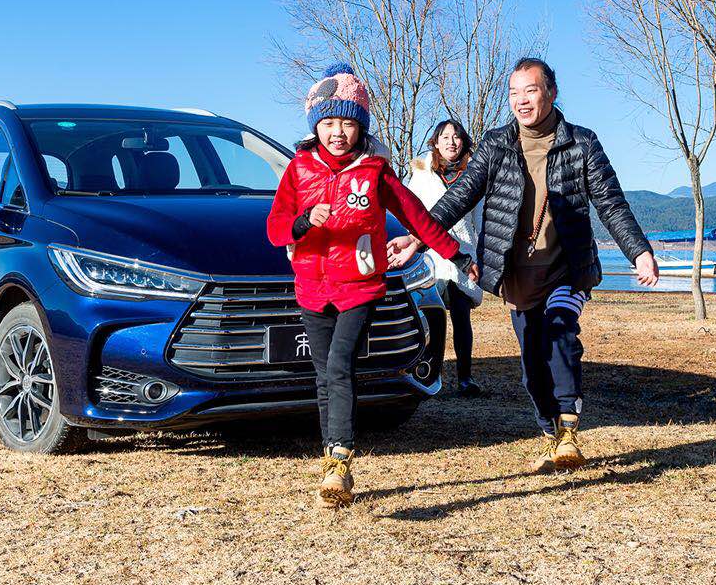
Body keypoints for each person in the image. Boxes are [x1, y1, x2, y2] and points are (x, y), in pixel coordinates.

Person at [388, 58, 658, 472]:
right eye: (514, 92)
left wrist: (638, 250)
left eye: (529, 90)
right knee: (532, 364)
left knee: (560, 331)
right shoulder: (497, 144)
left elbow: (611, 202)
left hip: (567, 266)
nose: (521, 100)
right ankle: (550, 433)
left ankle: (569, 429)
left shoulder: (582, 143)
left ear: (551, 92)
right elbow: (459, 197)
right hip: (516, 272)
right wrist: (417, 237)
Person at [266, 63, 472, 509]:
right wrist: (303, 223)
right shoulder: (299, 169)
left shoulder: (376, 171)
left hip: (359, 284)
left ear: (360, 125)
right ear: (315, 125)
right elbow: (276, 227)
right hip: (311, 287)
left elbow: (418, 216)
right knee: (325, 374)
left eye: (346, 122)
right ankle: (332, 460)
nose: (337, 132)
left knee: (339, 364)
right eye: (328, 122)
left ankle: (340, 457)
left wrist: (457, 255)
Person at [407, 119, 486, 397]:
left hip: (463, 254)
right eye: (445, 137)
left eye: (456, 137)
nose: (451, 142)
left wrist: (481, 253)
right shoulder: (421, 174)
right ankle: (430, 374)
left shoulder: (475, 175)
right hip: (430, 254)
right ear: (436, 142)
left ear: (463, 141)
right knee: (431, 315)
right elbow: (410, 211)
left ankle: (465, 377)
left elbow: (481, 220)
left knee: (462, 315)